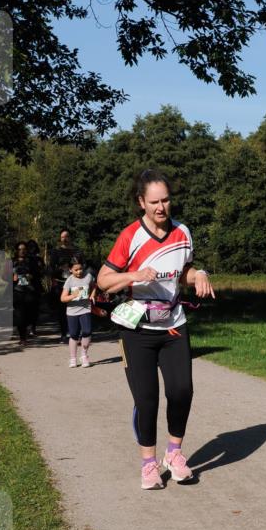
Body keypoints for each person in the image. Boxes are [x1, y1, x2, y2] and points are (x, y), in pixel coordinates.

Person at [96, 169, 216, 490]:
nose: (161, 207)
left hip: (173, 325)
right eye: (154, 202)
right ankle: (149, 463)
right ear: (141, 203)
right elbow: (103, 280)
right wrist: (133, 276)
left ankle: (174, 454)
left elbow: (185, 271)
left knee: (182, 391)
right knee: (147, 399)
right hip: (138, 330)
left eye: (165, 200)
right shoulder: (130, 237)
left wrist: (199, 273)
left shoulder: (183, 232)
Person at [61, 257, 96, 368]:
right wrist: (73, 296)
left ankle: (84, 355)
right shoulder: (69, 280)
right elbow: (62, 298)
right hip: (72, 311)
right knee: (74, 335)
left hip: (85, 308)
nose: (79, 272)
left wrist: (92, 295)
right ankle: (73, 358)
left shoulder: (88, 276)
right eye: (76, 270)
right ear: (70, 270)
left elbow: (94, 285)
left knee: (87, 331)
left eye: (81, 269)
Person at [49, 230, 78, 343]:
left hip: (75, 281)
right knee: (62, 309)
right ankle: (63, 333)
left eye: (67, 236)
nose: (65, 239)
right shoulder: (56, 251)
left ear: (70, 238)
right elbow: (51, 268)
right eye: (62, 237)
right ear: (60, 239)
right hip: (60, 282)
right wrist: (59, 269)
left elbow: (83, 263)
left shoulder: (76, 251)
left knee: (75, 306)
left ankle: (74, 333)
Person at [11, 241, 41, 346]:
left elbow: (38, 273)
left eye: (24, 249)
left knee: (30, 313)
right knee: (19, 315)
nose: (22, 251)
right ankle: (22, 338)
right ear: (16, 250)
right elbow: (3, 276)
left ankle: (29, 327)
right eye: (19, 249)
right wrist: (12, 277)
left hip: (30, 291)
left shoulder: (31, 261)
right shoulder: (11, 261)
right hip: (17, 291)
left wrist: (31, 276)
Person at [26, 240, 45, 337]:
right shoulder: (23, 259)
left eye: (33, 246)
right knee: (24, 308)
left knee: (35, 308)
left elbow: (43, 273)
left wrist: (41, 269)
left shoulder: (39, 259)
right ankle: (25, 327)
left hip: (36, 285)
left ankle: (33, 328)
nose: (31, 248)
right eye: (29, 246)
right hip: (24, 286)